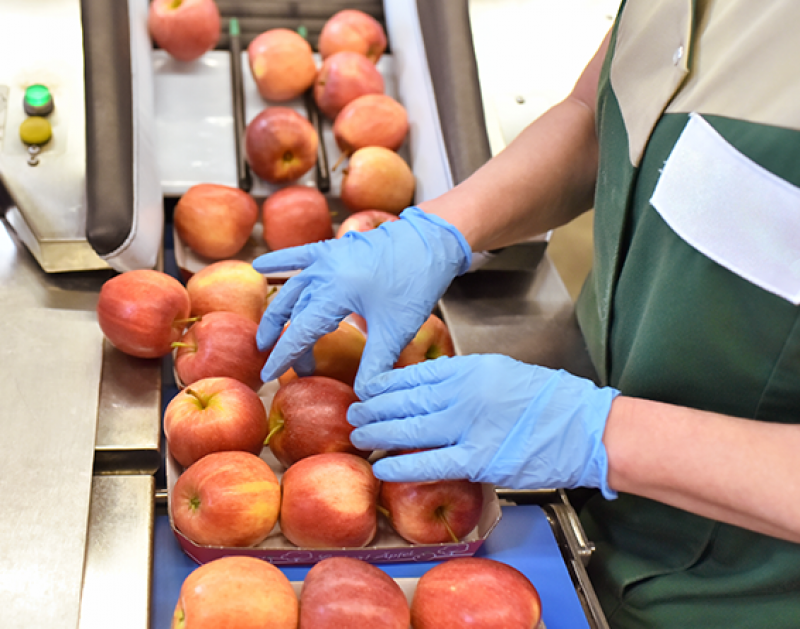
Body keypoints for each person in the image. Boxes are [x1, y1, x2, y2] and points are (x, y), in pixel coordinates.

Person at [253, 1, 800, 626]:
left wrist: (604, 434)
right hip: (592, 442)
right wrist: (442, 229)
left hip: (737, 593)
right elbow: (599, 114)